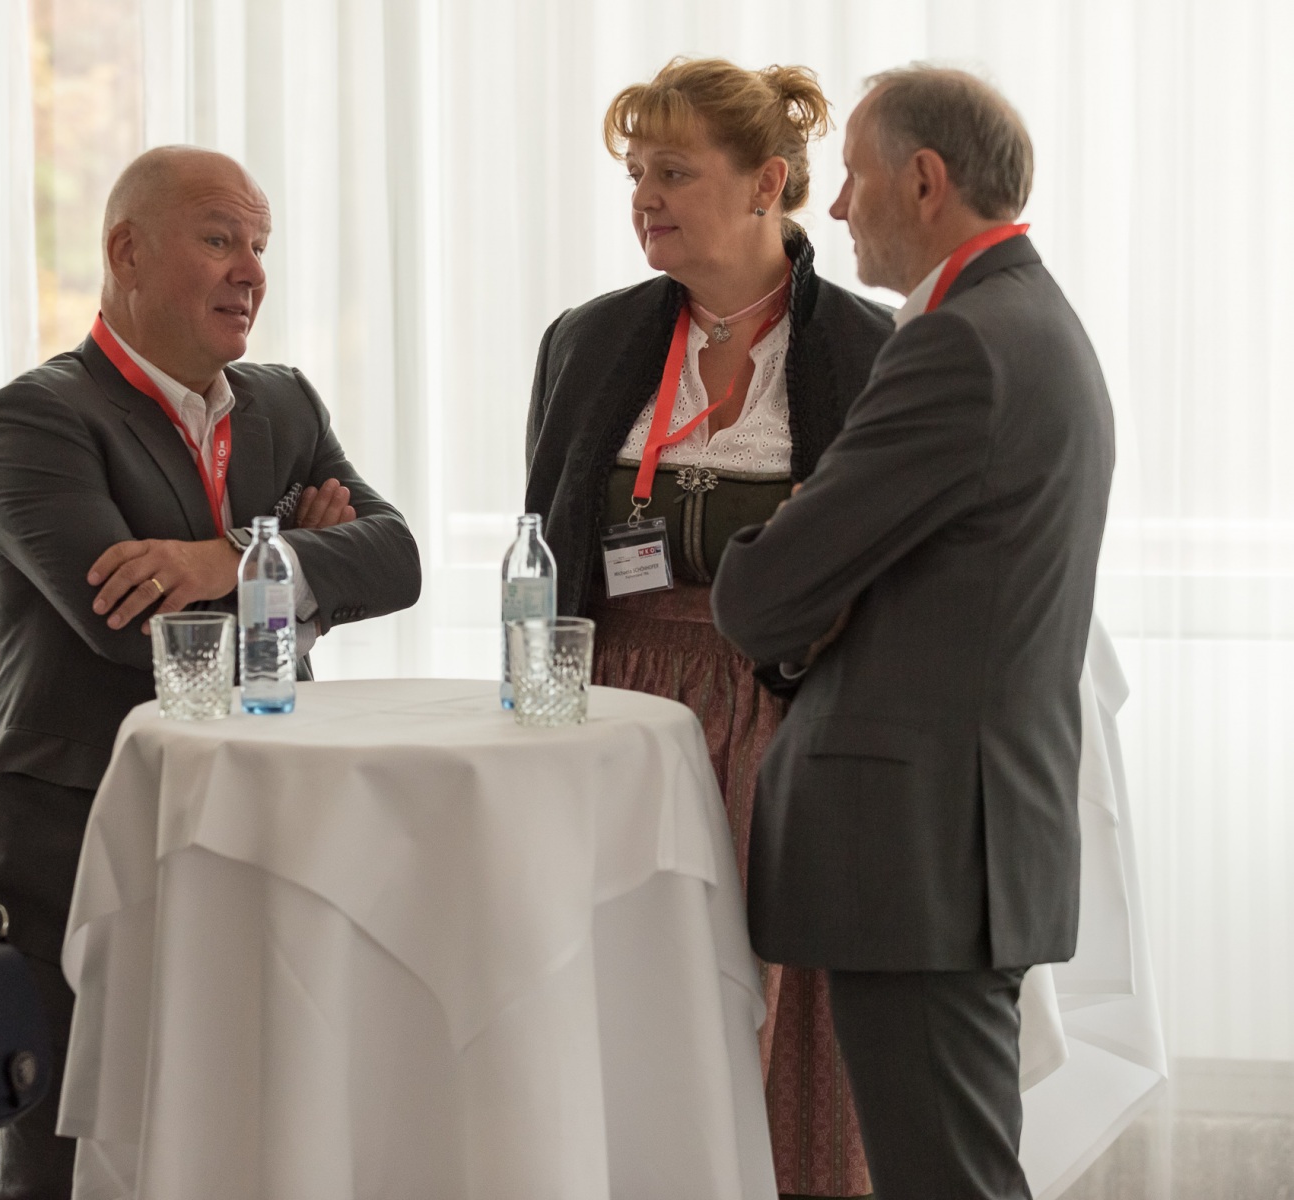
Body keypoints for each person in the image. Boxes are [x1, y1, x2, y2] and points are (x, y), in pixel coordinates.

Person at [0, 144, 423, 1197]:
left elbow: (399, 561)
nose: (251, 271)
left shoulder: (285, 402)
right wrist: (303, 567)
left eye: (260, 245)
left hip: (263, 823)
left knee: (247, 1126)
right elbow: (128, 630)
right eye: (220, 239)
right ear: (126, 252)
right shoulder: (39, 416)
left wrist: (228, 560)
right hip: (81, 837)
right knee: (71, 1140)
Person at [710, 67, 1115, 1200]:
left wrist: (794, 558)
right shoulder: (1028, 321)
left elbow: (759, 597)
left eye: (854, 176)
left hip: (924, 852)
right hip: (961, 846)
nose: (837, 207)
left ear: (926, 181)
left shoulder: (960, 343)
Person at [524, 57, 893, 1198]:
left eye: (674, 172)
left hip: (782, 715)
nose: (645, 196)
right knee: (620, 999)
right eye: (636, 174)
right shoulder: (586, 340)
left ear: (766, 183)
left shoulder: (868, 348)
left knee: (768, 1007)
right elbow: (543, 544)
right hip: (615, 714)